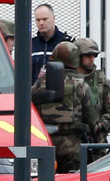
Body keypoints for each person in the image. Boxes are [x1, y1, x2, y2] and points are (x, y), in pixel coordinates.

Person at [31, 41, 97, 173]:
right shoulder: (81, 85)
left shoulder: (38, 84)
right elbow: (92, 118)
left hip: (46, 143)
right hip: (73, 145)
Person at [74, 38, 110, 160]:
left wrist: (101, 125)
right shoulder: (68, 80)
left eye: (94, 55)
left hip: (96, 141)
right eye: (87, 56)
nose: (91, 59)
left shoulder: (101, 81)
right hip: (73, 141)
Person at [31, 4, 74, 84]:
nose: (41, 23)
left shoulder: (67, 43)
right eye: (38, 20)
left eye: (44, 19)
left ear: (53, 18)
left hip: (60, 93)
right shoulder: (30, 44)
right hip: (33, 94)